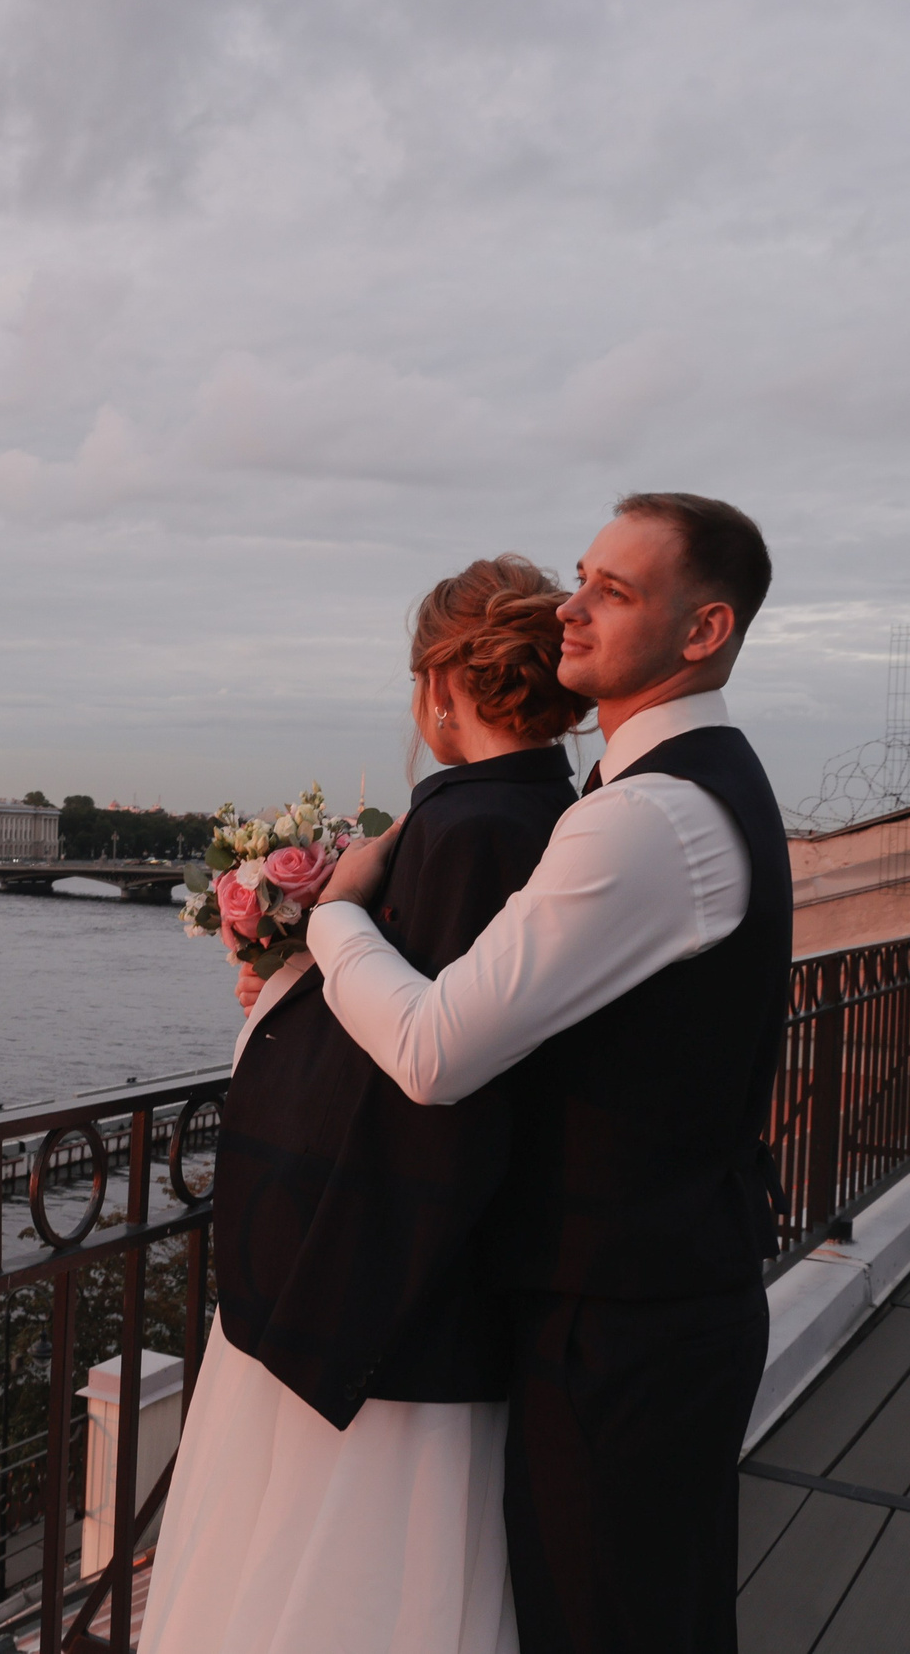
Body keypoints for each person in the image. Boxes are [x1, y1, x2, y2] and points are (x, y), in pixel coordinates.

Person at [307, 494, 787, 1654]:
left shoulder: (646, 822)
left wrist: (331, 920)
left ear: (703, 630)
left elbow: (432, 1052)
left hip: (618, 1324)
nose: (570, 607)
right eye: (581, 576)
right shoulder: (684, 789)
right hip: (656, 1299)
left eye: (614, 591)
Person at [141, 556, 587, 1654]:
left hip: (381, 1290)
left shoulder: (462, 830)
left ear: (441, 683)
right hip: (465, 1274)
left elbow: (415, 1065)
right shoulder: (549, 819)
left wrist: (297, 969)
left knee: (317, 1572)